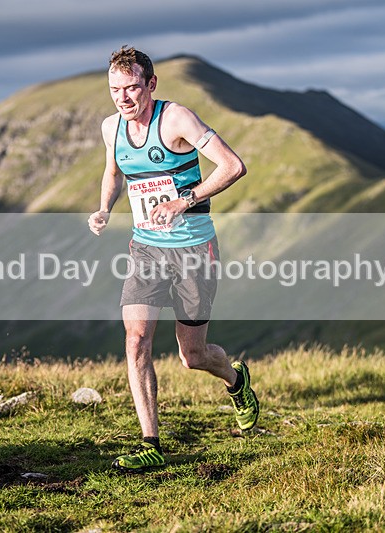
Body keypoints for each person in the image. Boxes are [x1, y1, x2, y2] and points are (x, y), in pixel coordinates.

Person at [88, 46, 258, 472]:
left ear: (151, 84)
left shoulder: (176, 118)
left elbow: (233, 166)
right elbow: (113, 172)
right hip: (146, 248)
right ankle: (151, 442)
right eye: (115, 90)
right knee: (136, 340)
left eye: (131, 88)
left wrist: (185, 201)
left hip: (194, 250)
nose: (123, 98)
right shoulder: (112, 127)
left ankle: (236, 381)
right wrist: (105, 207)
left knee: (192, 356)